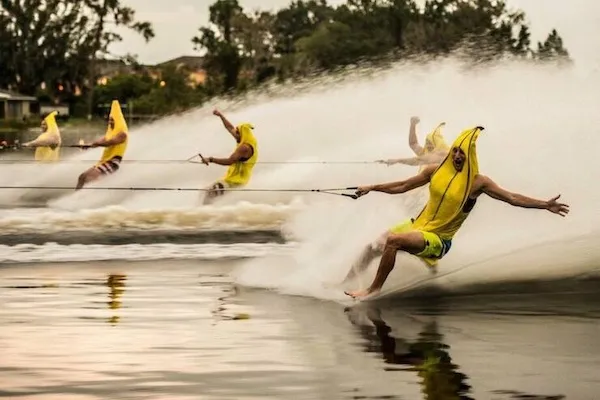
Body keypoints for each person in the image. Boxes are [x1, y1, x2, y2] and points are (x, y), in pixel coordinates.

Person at [344, 126, 570, 299]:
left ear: (470, 156)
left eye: (462, 153)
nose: (458, 156)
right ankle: (343, 283)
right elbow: (403, 185)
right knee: (373, 246)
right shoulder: (435, 171)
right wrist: (371, 187)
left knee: (393, 241)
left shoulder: (478, 182)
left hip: (438, 239)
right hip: (417, 225)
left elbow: (512, 198)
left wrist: (544, 204)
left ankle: (373, 290)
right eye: (455, 152)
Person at [199, 109, 258, 205]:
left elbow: (230, 161)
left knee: (210, 193)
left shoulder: (245, 147)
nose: (234, 133)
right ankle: (206, 210)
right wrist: (221, 116)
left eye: (237, 132)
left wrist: (210, 159)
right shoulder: (244, 140)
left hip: (236, 181)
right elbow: (230, 128)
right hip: (230, 179)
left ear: (243, 134)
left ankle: (204, 211)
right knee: (204, 192)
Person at [76, 100, 128, 190]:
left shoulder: (122, 134)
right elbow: (101, 141)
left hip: (113, 162)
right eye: (109, 119)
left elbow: (109, 143)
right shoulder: (110, 133)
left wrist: (95, 144)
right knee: (82, 177)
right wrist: (88, 145)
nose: (110, 122)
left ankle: (90, 196)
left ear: (118, 121)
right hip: (104, 161)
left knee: (90, 178)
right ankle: (76, 196)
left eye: (112, 120)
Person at [377, 117, 449, 168]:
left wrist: (398, 160)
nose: (428, 145)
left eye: (431, 143)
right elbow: (413, 144)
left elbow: (418, 160)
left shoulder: (444, 154)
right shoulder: (425, 153)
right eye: (427, 142)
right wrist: (413, 124)